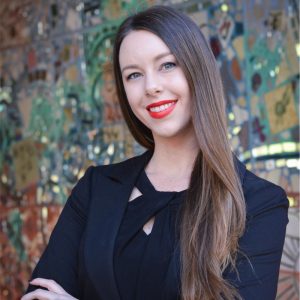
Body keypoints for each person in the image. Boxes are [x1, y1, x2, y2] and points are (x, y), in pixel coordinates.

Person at [22, 5, 289, 300]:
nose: (151, 87)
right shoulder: (94, 189)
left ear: (198, 69)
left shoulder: (259, 204)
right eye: (133, 75)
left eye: (167, 65)